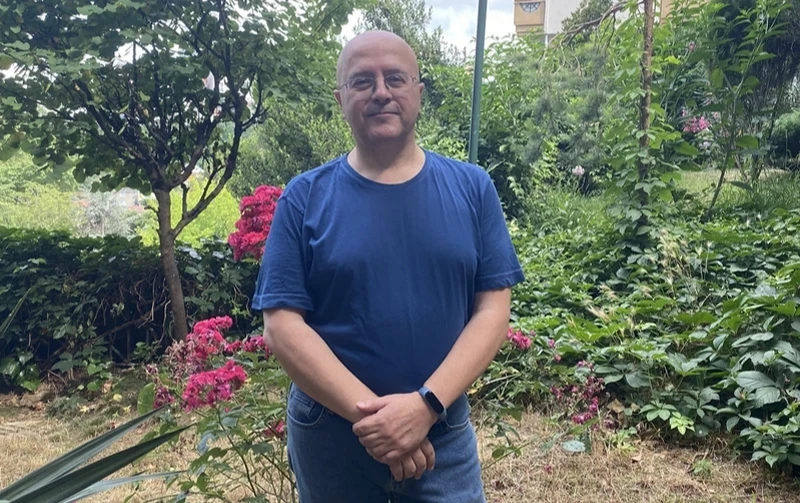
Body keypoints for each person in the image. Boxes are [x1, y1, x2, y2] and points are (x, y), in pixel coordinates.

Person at [253, 30, 525, 503]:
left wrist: (424, 407)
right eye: (362, 81)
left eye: (395, 78)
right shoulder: (303, 197)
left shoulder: (473, 188)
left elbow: (493, 312)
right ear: (340, 99)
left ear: (418, 92)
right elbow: (282, 325)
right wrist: (380, 424)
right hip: (332, 435)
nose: (381, 92)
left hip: (441, 430)